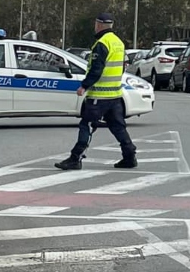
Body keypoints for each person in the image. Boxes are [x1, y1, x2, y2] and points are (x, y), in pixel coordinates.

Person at [55, 13, 137, 171]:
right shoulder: (118, 42)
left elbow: (96, 69)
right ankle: (129, 156)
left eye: (95, 24)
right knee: (118, 126)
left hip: (99, 96)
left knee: (86, 124)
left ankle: (75, 158)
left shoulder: (102, 43)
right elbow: (121, 67)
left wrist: (84, 86)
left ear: (99, 25)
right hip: (115, 95)